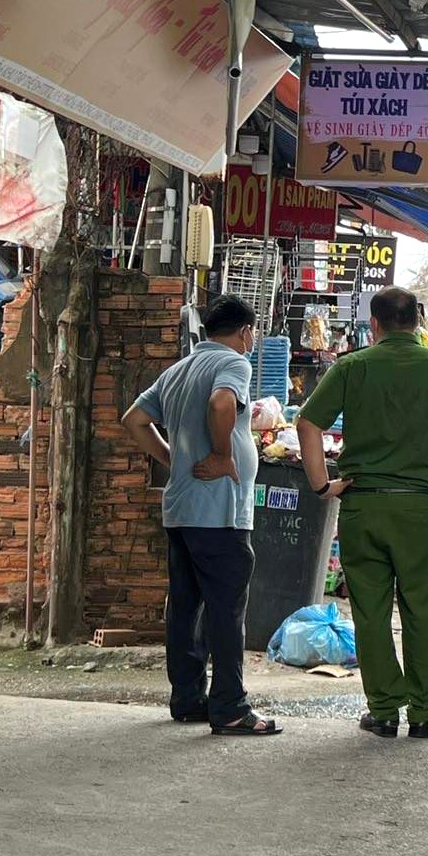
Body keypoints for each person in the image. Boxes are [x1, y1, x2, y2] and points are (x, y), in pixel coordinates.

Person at [297, 286, 428, 739]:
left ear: (375, 324)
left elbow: (308, 423)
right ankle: (426, 712)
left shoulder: (353, 365)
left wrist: (322, 485)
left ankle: (383, 710)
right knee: (422, 611)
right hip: (420, 508)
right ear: (418, 321)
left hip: (364, 505)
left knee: (370, 611)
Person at [119, 294, 280, 737]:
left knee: (186, 607)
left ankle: (188, 698)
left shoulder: (176, 371)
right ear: (245, 332)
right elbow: (221, 405)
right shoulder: (234, 364)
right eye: (251, 335)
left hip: (181, 508)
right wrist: (225, 455)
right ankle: (230, 707)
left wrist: (173, 457)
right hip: (220, 511)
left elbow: (133, 420)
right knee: (226, 610)